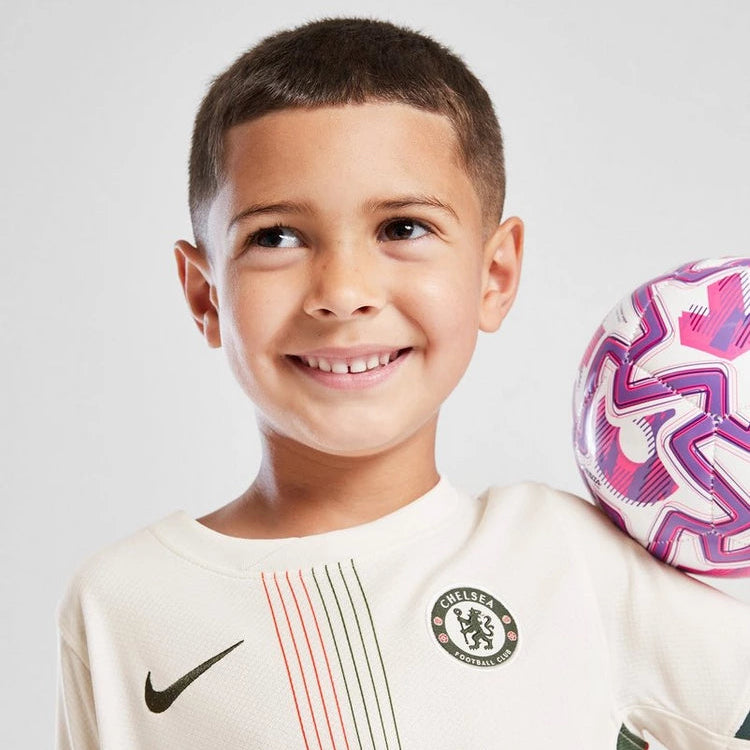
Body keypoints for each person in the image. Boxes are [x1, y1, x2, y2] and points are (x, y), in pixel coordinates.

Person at [55, 16, 750, 750]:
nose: (344, 292)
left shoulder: (568, 558)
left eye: (403, 228)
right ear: (205, 295)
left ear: (494, 274)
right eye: (276, 237)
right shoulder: (122, 604)